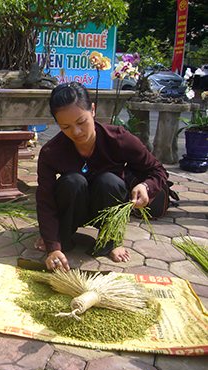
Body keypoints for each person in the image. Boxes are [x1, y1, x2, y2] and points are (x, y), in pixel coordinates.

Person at [36, 82, 170, 272]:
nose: (76, 132)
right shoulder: (51, 151)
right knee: (73, 181)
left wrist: (146, 187)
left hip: (107, 205)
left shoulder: (119, 139)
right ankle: (63, 239)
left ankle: (110, 240)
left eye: (81, 122)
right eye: (65, 126)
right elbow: (45, 200)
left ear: (93, 110)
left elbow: (157, 170)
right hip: (74, 209)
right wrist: (52, 244)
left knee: (110, 181)